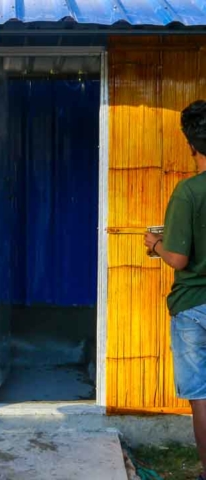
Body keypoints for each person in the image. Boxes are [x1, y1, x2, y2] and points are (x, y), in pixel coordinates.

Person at [145, 99, 206, 480]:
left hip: (193, 307)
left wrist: (155, 245)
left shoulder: (188, 193)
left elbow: (179, 259)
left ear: (191, 145)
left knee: (201, 395)